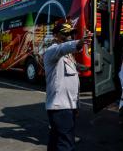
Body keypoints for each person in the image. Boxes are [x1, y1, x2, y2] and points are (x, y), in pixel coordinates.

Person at [43, 20, 91, 151]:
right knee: (66, 144)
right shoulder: (52, 51)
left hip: (69, 105)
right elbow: (62, 48)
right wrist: (80, 42)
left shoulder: (68, 56)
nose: (69, 36)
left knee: (55, 141)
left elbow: (75, 67)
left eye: (71, 33)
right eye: (65, 34)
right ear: (55, 36)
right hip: (60, 107)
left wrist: (89, 68)